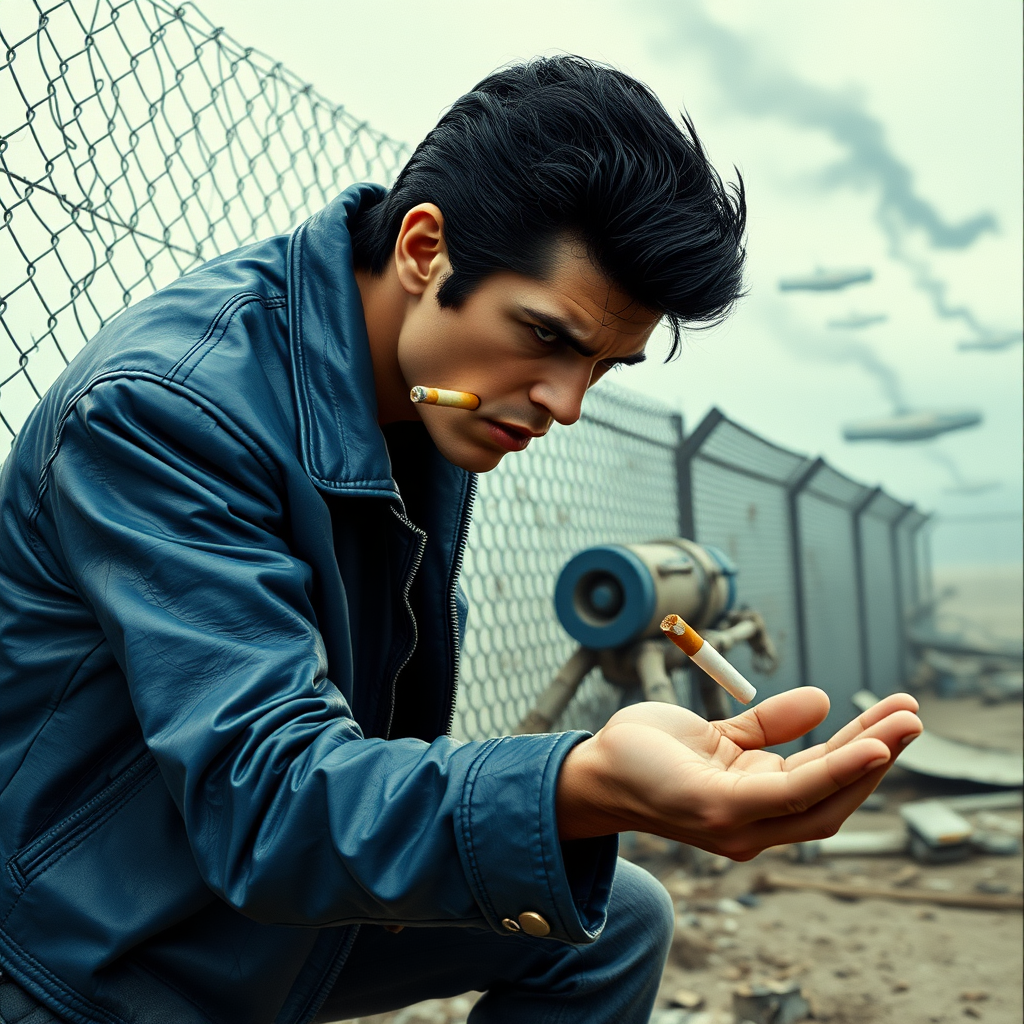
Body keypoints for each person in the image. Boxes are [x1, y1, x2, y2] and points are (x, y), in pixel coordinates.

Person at [0, 56, 921, 1024]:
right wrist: (581, 782)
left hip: (250, 895)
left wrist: (553, 800)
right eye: (547, 336)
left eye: (604, 366)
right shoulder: (167, 409)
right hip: (91, 953)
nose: (563, 403)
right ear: (424, 248)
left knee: (610, 921)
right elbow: (266, 798)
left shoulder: (435, 395)